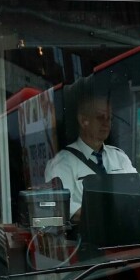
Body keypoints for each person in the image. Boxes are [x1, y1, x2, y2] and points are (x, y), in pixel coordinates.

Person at [44, 92, 135, 221]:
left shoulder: (120, 157)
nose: (106, 123)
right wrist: (103, 217)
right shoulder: (63, 163)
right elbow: (60, 205)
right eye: (100, 117)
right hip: (87, 237)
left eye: (109, 118)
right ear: (83, 120)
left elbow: (137, 193)